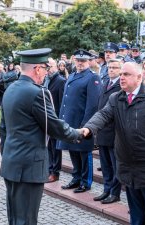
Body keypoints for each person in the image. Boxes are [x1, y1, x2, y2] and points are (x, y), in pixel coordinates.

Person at [82, 62, 145, 225]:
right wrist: (87, 129)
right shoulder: (116, 98)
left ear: (139, 77)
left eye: (126, 74)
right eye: (121, 74)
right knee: (136, 215)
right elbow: (103, 115)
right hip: (129, 166)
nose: (122, 77)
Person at [0, 48, 83, 225]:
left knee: (14, 217)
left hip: (11, 162)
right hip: (30, 165)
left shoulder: (10, 89)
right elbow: (54, 126)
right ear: (37, 69)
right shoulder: (38, 92)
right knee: (27, 219)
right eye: (45, 68)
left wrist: (7, 155)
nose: (47, 73)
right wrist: (78, 133)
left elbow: (3, 129)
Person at [57, 49, 101, 193]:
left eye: (83, 61)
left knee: (84, 152)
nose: (80, 63)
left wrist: (86, 125)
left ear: (88, 61)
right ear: (74, 60)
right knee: (72, 151)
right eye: (78, 60)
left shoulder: (92, 77)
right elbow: (65, 100)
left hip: (82, 123)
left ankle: (85, 181)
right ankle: (76, 178)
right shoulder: (72, 75)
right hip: (70, 120)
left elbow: (93, 104)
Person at [93, 59, 122, 204]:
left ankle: (115, 193)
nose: (111, 70)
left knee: (115, 164)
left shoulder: (121, 85)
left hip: (114, 132)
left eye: (115, 68)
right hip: (103, 130)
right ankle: (106, 189)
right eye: (110, 67)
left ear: (120, 70)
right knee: (105, 164)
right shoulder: (105, 83)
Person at [43, 59, 67, 183]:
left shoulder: (61, 81)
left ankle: (55, 172)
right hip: (45, 118)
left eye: (50, 67)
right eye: (46, 67)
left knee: (55, 147)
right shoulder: (46, 80)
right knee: (48, 146)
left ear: (56, 67)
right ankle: (48, 169)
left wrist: (59, 120)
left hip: (55, 118)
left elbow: (63, 102)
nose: (48, 69)